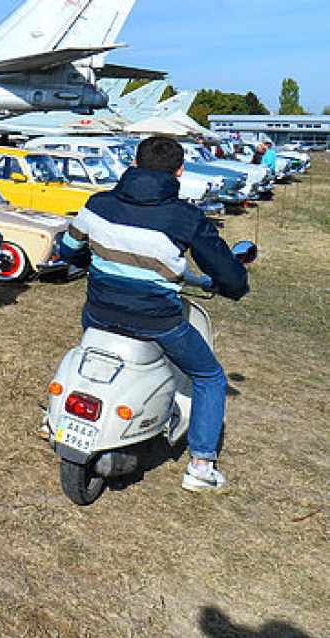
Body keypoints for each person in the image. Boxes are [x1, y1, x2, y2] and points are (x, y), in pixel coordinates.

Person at [58, 135, 249, 493]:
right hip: (157, 321)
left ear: (133, 164)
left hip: (98, 314)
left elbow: (68, 249)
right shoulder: (186, 216)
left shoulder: (97, 204)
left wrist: (90, 259)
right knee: (210, 377)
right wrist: (236, 285)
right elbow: (225, 271)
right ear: (179, 172)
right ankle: (201, 466)